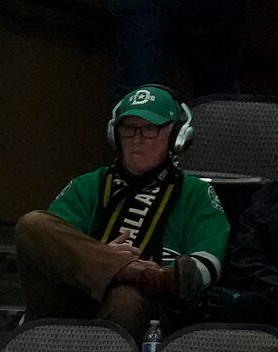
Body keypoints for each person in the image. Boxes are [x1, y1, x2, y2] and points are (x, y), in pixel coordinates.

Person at [14, 86, 229, 334]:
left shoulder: (195, 193)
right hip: (74, 298)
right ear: (115, 135)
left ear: (176, 135)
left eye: (149, 129)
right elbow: (51, 250)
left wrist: (158, 276)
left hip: (147, 306)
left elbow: (207, 265)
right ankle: (127, 271)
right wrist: (111, 260)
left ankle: (129, 279)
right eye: (128, 129)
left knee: (126, 298)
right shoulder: (87, 185)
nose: (137, 139)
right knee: (32, 224)